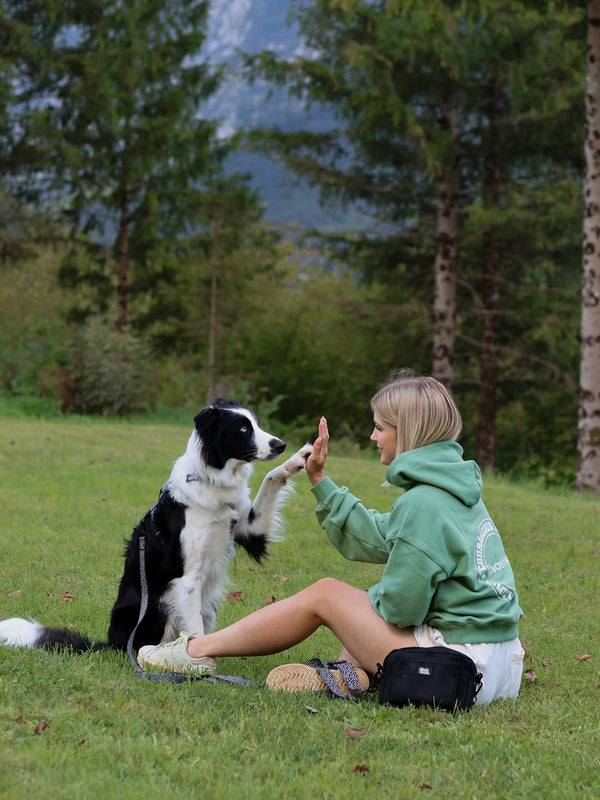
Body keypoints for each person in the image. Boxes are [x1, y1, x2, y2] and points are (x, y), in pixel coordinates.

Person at [138, 370, 524, 705]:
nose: (373, 435)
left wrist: (353, 607)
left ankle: (195, 649)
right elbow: (377, 538)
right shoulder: (455, 491)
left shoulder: (424, 503)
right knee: (352, 616)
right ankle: (346, 673)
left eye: (380, 427)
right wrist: (320, 482)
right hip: (500, 662)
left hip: (458, 669)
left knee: (326, 595)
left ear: (407, 434)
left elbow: (402, 608)